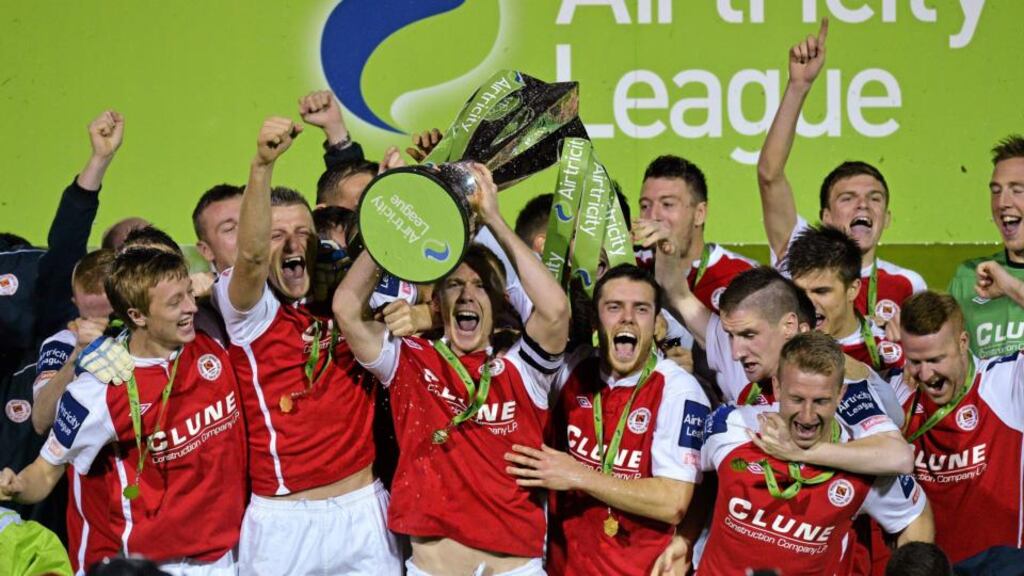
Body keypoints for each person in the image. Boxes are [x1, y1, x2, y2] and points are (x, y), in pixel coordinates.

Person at [335, 163, 569, 576]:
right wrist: (390, 235)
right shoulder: (409, 360)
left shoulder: (523, 368)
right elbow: (347, 311)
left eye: (480, 286)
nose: (467, 294)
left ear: (498, 307)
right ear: (437, 302)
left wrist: (493, 218)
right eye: (455, 285)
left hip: (518, 569)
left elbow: (554, 310)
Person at [212, 117, 409, 574]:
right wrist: (262, 166)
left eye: (302, 233)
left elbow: (394, 258)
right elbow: (252, 256)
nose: (291, 245)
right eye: (277, 235)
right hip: (284, 523)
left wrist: (391, 195)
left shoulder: (348, 298)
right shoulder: (247, 313)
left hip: (364, 509)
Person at [0, 247, 247, 574]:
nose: (190, 306)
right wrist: (15, 485)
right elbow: (45, 472)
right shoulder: (98, 388)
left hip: (224, 557)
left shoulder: (210, 327)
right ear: (137, 315)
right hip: (144, 565)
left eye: (189, 293)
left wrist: (212, 284)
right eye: (175, 302)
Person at [506, 264, 710, 575]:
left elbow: (673, 502)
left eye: (640, 309)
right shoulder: (571, 369)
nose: (627, 317)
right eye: (614, 307)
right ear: (596, 319)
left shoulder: (679, 390)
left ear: (656, 323)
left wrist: (579, 475)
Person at [696, 332, 933, 575]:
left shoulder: (864, 464)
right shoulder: (731, 428)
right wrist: (683, 539)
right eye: (797, 399)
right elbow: (685, 480)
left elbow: (915, 516)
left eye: (820, 401)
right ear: (777, 388)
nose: (807, 417)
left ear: (840, 395)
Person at [757, 19, 924, 334]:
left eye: (874, 199)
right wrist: (798, 87)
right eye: (848, 198)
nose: (863, 205)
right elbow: (770, 175)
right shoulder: (797, 252)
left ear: (886, 218)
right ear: (826, 216)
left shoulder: (908, 284)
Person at [894, 291, 1024, 565]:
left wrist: (1011, 285)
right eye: (916, 361)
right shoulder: (896, 391)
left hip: (1001, 569)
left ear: (963, 342)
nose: (926, 375)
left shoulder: (1007, 382)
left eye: (936, 359)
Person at [786, 225, 904, 374]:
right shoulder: (782, 349)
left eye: (821, 291)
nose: (808, 302)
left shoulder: (891, 351)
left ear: (852, 290)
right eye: (800, 292)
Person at [948, 134, 1024, 358]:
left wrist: (1010, 287)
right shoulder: (967, 277)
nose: (1002, 203)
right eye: (996, 190)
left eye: (1017, 190)